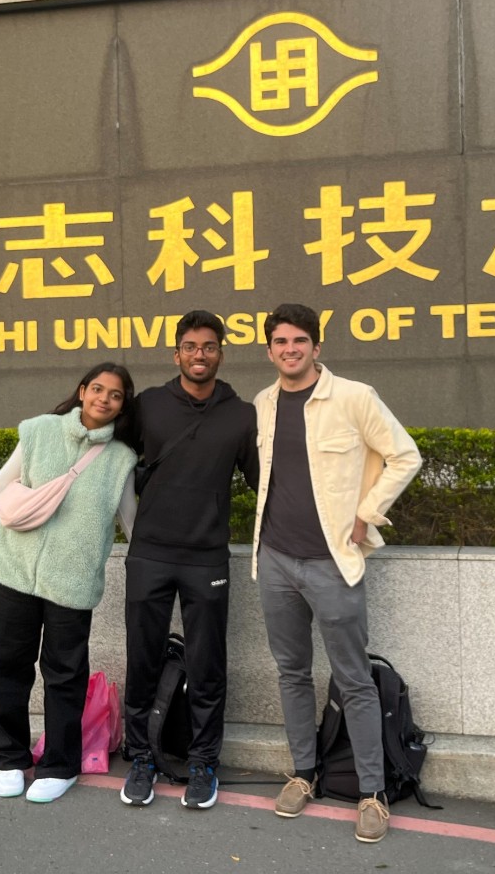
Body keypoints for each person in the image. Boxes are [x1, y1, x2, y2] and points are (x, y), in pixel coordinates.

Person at [250, 303, 422, 843]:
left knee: (353, 678)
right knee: (291, 671)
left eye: (299, 340)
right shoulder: (263, 403)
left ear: (316, 347)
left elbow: (405, 455)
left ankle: (372, 793)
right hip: (275, 559)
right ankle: (303, 773)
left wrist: (367, 514)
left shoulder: (354, 396)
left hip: (332, 562)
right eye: (280, 341)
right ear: (270, 350)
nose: (290, 349)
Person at [0, 362, 139, 804]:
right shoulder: (40, 431)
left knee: (65, 675)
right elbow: (1, 482)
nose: (104, 399)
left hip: (72, 581)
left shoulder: (121, 459)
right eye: (98, 389)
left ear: (123, 405)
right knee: (6, 666)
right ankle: (9, 758)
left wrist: (150, 566)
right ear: (82, 391)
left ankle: (60, 765)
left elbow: (131, 521)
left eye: (116, 395)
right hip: (14, 569)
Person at [120, 310, 259, 811]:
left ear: (221, 353)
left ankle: (203, 763)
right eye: (191, 346)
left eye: (209, 346)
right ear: (176, 353)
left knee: (207, 666)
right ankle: (141, 757)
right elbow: (108, 457)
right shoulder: (148, 405)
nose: (200, 354)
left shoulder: (242, 415)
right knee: (142, 660)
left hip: (207, 559)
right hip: (149, 554)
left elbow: (266, 484)